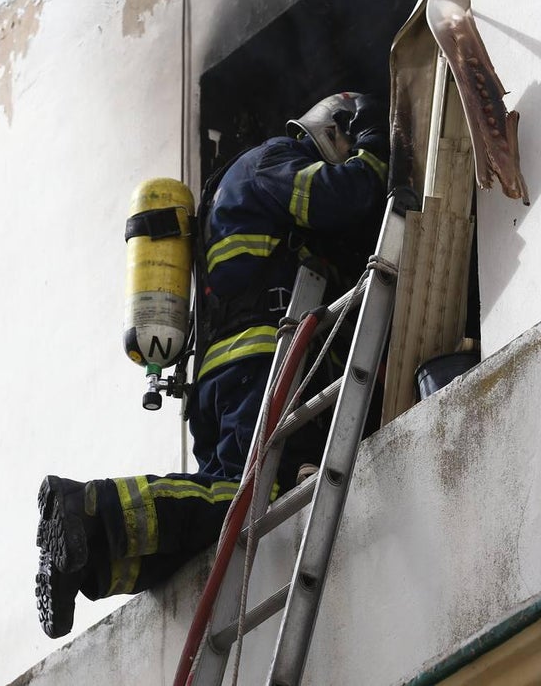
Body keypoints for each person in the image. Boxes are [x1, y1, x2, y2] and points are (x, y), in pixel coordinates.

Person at [36, 92, 391, 638]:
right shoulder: (274, 159)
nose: (342, 155)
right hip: (257, 363)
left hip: (224, 378)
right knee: (255, 494)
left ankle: (93, 563)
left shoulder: (232, 188)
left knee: (218, 507)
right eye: (345, 140)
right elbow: (336, 198)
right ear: (333, 128)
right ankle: (87, 508)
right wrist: (374, 150)